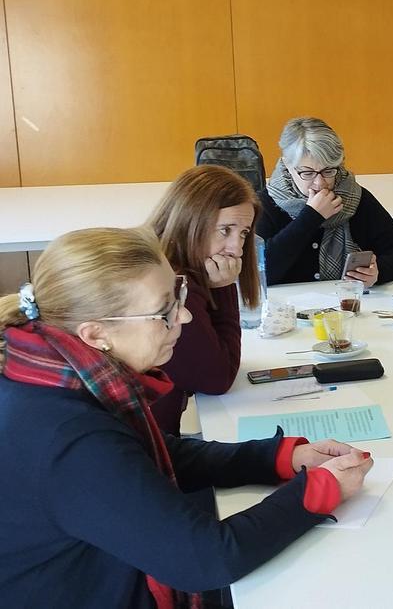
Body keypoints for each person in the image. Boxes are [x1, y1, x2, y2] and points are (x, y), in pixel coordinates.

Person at [0, 227, 373, 606]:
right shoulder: (67, 437)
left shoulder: (52, 375)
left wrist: (277, 457)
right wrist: (320, 489)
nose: (186, 315)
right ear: (96, 334)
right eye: (164, 311)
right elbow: (206, 558)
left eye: (178, 293)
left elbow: (141, 458)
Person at [146, 165, 257, 436]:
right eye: (226, 230)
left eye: (243, 233)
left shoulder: (159, 259)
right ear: (190, 220)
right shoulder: (173, 283)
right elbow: (217, 378)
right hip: (150, 449)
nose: (237, 248)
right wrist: (223, 288)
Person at [258, 116, 393, 286]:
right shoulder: (266, 204)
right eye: (307, 173)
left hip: (345, 305)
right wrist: (311, 217)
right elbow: (259, 273)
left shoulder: (354, 196)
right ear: (287, 166)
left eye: (328, 171)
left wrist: (378, 272)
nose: (320, 183)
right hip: (287, 309)